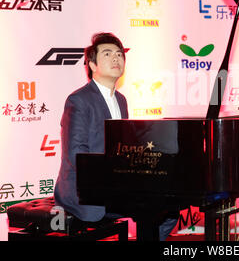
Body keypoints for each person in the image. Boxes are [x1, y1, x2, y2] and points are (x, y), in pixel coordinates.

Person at [54, 32, 177, 240]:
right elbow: (75, 154)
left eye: (120, 55)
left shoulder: (121, 100)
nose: (116, 59)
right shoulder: (78, 100)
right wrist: (111, 180)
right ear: (92, 65)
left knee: (169, 205)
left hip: (114, 185)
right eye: (108, 54)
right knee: (150, 208)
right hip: (84, 190)